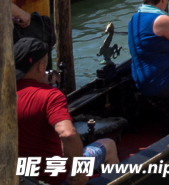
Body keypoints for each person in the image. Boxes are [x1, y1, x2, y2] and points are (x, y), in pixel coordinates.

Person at [17, 37, 118, 184]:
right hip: (56, 178)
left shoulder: (6, 92)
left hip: (21, 176)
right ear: (40, 66)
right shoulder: (50, 96)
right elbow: (67, 134)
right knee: (108, 145)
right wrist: (79, 171)